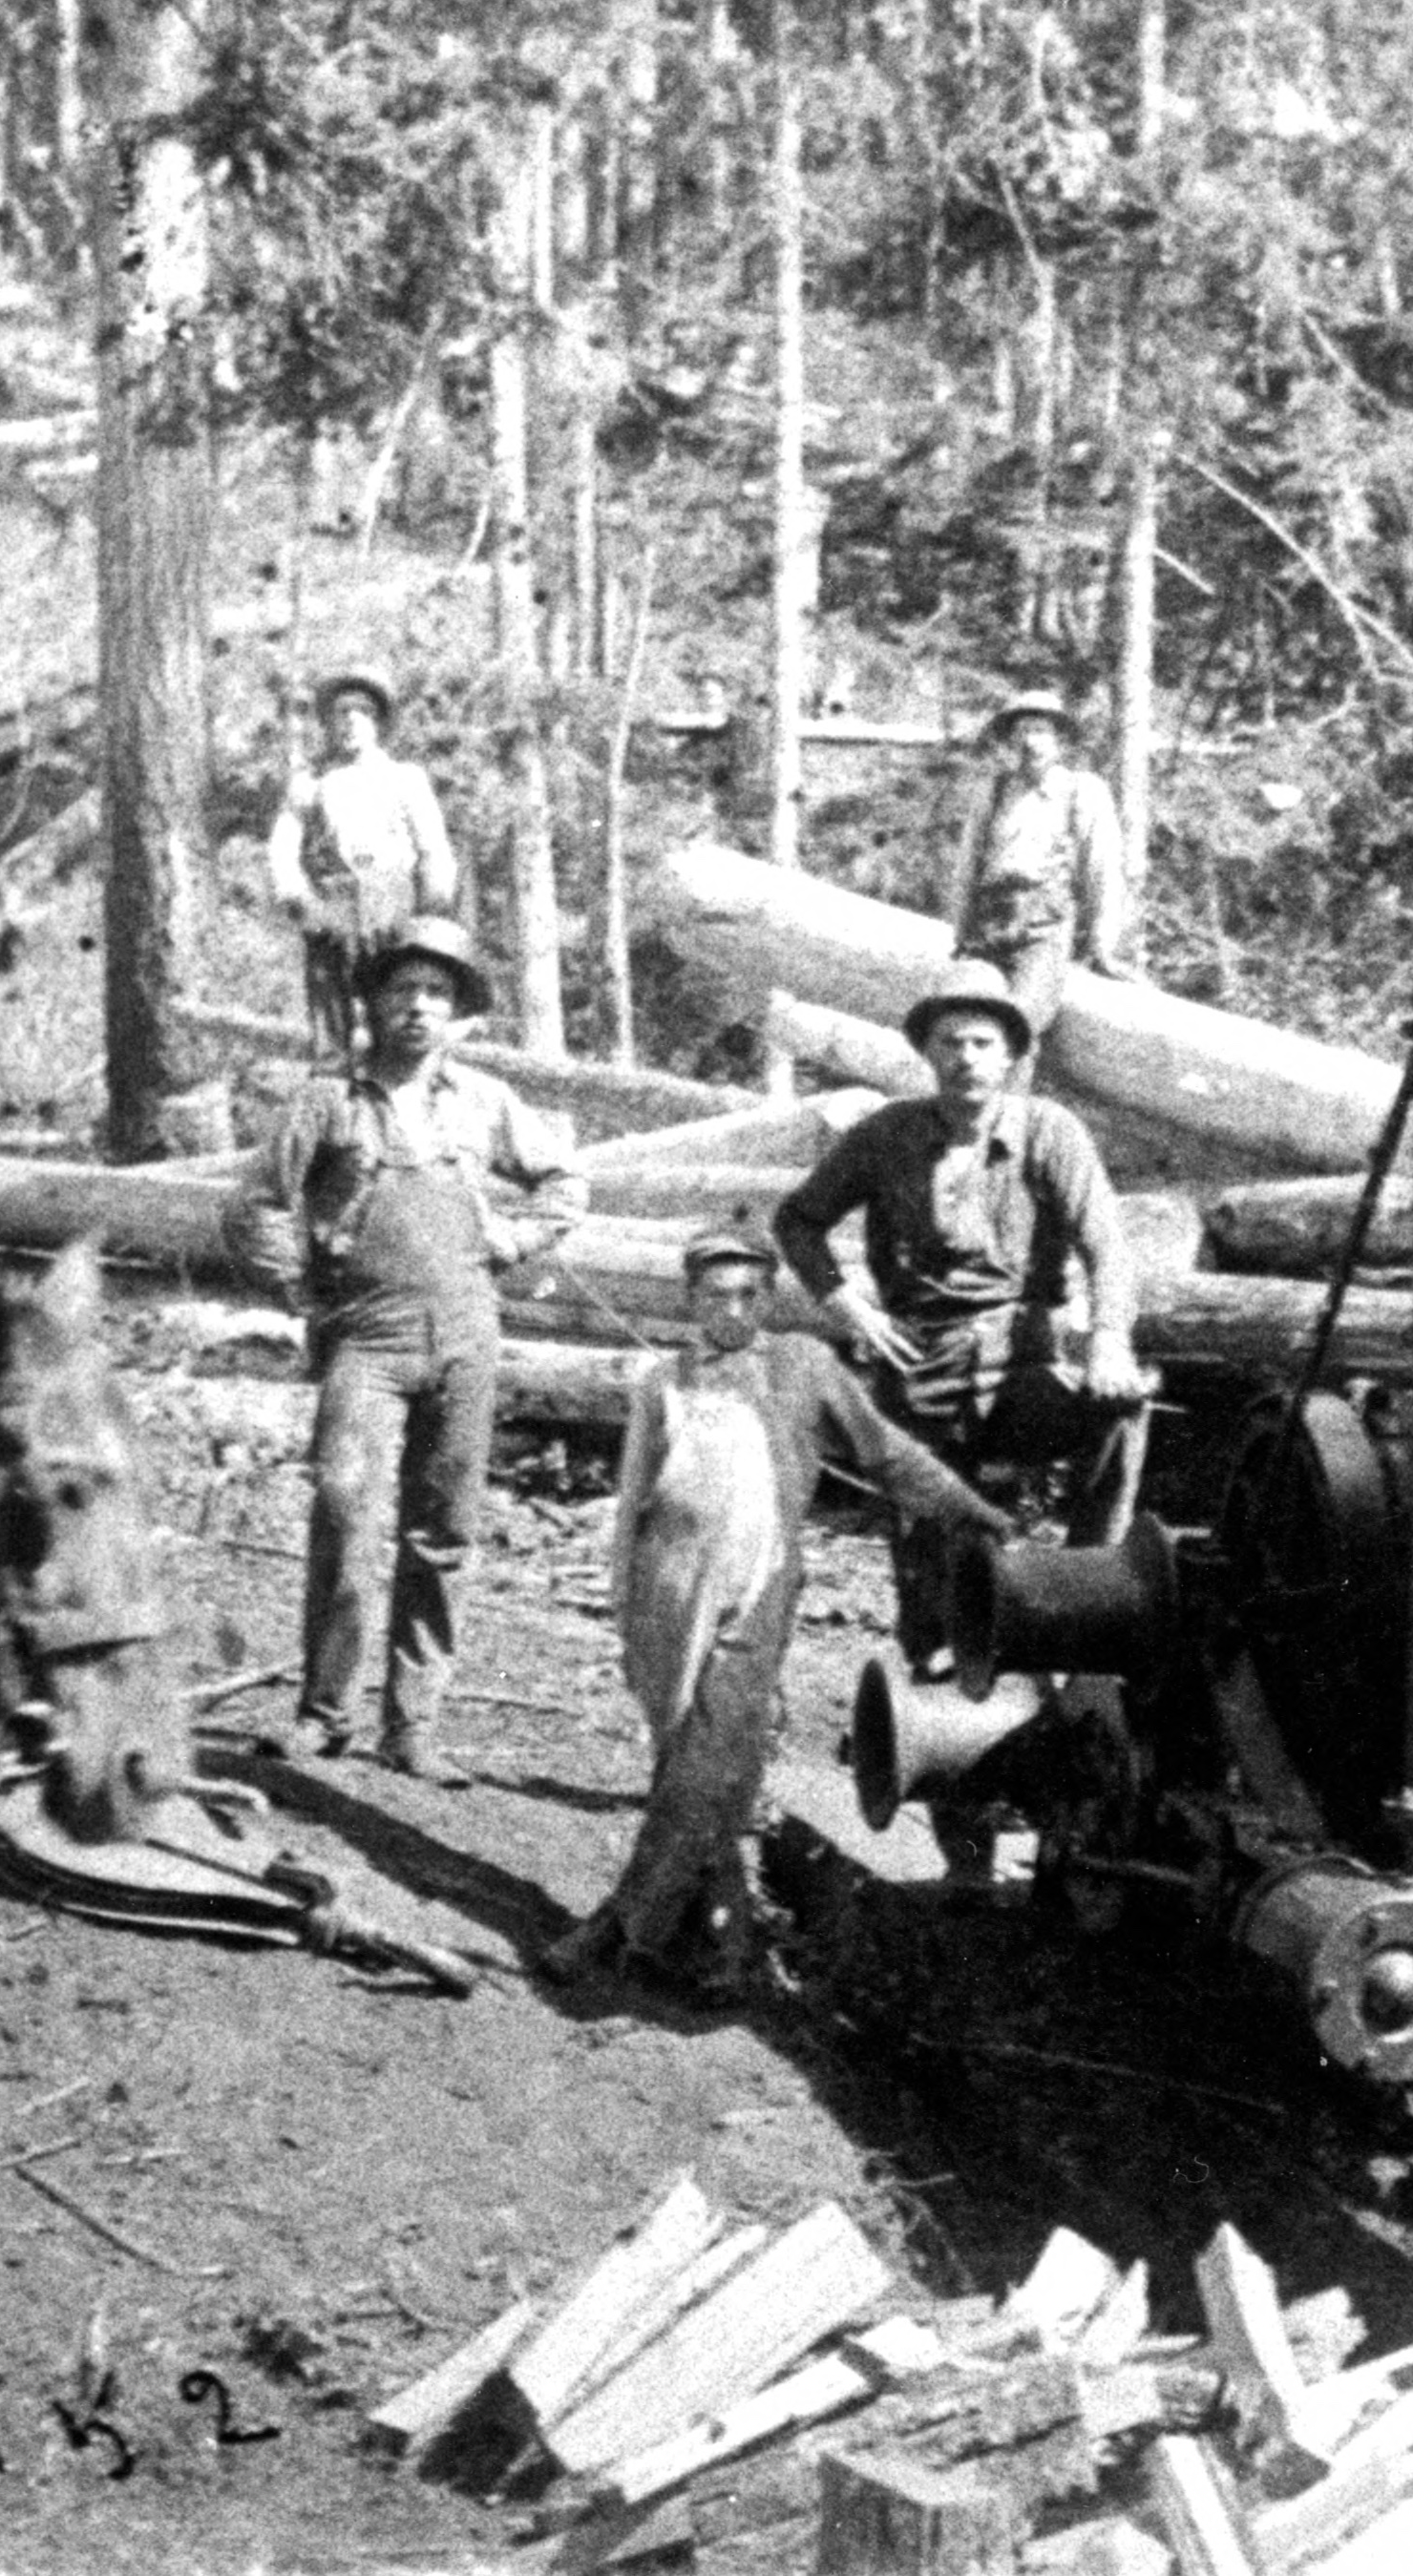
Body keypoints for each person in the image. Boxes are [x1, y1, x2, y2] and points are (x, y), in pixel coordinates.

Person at [538, 1221, 1014, 1999]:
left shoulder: (803, 1365)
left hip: (755, 1588)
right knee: (696, 1765)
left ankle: (620, 1926)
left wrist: (972, 1511)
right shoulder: (664, 1383)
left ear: (768, 1297)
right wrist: (623, 1596)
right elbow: (633, 1499)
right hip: (667, 1588)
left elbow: (887, 1454)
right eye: (714, 1294)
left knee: (709, 1756)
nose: (731, 1309)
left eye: (747, 1294)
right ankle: (728, 1947)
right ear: (690, 1298)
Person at [770, 964, 1151, 1876]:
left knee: (1122, 1417)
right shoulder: (888, 1136)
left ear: (1014, 1056)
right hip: (920, 1372)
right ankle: (964, 1835)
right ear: (926, 1053)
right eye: (949, 1042)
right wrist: (849, 1309)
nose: (966, 1059)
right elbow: (798, 1220)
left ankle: (1093, 1588)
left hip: (1018, 1359)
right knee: (934, 1602)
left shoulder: (1050, 1133)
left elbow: (1107, 1244)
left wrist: (1105, 1342)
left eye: (984, 1042)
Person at [231, 915, 581, 1787]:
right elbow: (255, 1204)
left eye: (437, 994)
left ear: (458, 1010)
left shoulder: (485, 1101)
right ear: (375, 1003)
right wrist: (300, 1286)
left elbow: (566, 1184)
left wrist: (509, 1243)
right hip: (368, 1339)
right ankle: (324, 1715)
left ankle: (413, 1725)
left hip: (467, 1336)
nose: (419, 1009)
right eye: (403, 991)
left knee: (446, 1532)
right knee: (346, 1516)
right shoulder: (328, 1100)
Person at [263, 670, 461, 1063]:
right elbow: (282, 848)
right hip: (331, 908)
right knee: (332, 1030)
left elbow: (434, 848)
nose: (351, 721)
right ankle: (335, 1098)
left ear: (378, 722)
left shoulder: (405, 778)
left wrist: (430, 912)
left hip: (395, 907)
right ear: (329, 724)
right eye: (341, 713)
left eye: (363, 712)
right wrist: (301, 901)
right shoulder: (311, 783)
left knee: (397, 1017)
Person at [941, 691, 1129, 1037]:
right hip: (989, 929)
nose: (1030, 742)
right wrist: (961, 932)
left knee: (1019, 1025)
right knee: (963, 1022)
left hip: (1044, 933)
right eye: (1022, 732)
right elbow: (968, 866)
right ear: (1010, 740)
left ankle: (1012, 1093)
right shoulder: (994, 792)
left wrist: (1103, 946)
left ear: (1061, 739)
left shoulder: (1084, 792)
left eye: (1040, 731)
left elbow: (1102, 872)